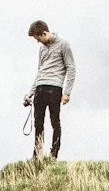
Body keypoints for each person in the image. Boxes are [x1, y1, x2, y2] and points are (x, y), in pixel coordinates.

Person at [24, 20, 75, 159]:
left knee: (55, 122)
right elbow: (40, 71)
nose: (38, 42)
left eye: (38, 38)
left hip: (55, 87)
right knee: (38, 123)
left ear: (45, 33)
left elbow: (71, 68)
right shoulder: (41, 49)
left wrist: (67, 93)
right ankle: (37, 155)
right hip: (40, 87)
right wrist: (31, 91)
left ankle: (54, 154)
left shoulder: (64, 44)